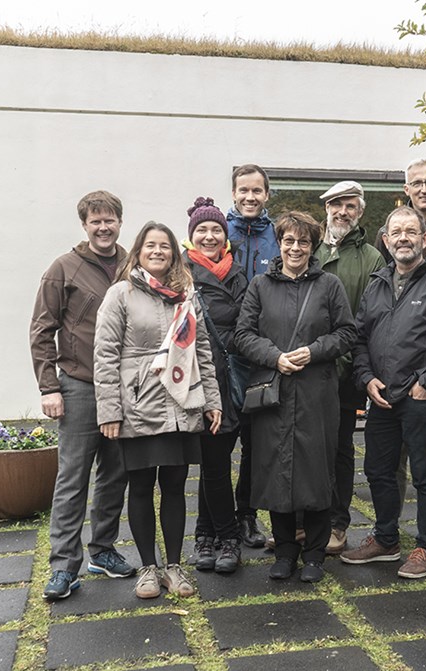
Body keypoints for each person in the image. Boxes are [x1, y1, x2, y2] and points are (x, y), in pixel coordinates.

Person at [341, 206, 426, 579]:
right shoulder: (377, 283)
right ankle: (385, 539)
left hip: (420, 397)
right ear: (385, 240)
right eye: (395, 232)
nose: (403, 238)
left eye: (410, 231)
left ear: (424, 238)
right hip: (381, 397)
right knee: (378, 470)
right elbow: (361, 339)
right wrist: (366, 378)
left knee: (425, 473)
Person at [94, 222, 222, 599]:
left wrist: (211, 400)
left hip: (181, 406)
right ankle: (148, 568)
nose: (158, 251)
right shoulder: (121, 293)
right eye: (150, 245)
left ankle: (174, 567)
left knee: (175, 488)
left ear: (173, 253)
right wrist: (109, 411)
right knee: (140, 487)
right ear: (138, 251)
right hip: (139, 405)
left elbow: (202, 354)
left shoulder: (186, 295)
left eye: (164, 246)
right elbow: (104, 356)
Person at [234, 211, 356, 583]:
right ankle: (285, 550)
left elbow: (348, 333)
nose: (295, 248)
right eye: (289, 240)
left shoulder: (330, 285)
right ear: (280, 243)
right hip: (275, 391)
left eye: (303, 241)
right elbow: (242, 334)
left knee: (316, 470)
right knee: (276, 471)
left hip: (317, 393)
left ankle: (316, 554)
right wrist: (275, 357)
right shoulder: (259, 285)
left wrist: (316, 350)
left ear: (313, 245)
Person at [30, 190, 135, 601]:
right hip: (79, 386)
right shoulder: (64, 268)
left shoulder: (132, 265)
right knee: (72, 478)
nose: (103, 227)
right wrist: (49, 386)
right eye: (96, 221)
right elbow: (41, 330)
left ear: (120, 222)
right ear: (85, 225)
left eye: (110, 219)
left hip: (125, 389)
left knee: (116, 474)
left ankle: (103, 550)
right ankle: (63, 567)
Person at [313, 181, 386, 555]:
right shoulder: (306, 246)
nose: (343, 211)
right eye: (336, 204)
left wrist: (348, 360)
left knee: (340, 449)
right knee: (305, 446)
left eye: (351, 206)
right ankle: (302, 523)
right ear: (326, 207)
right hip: (305, 369)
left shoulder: (372, 257)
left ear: (360, 213)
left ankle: (337, 524)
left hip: (343, 371)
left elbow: (368, 318)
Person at [183, 197, 248, 574]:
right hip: (201, 379)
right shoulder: (183, 274)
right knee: (214, 462)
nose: (209, 236)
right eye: (202, 230)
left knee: (218, 460)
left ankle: (206, 533)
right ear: (192, 237)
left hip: (235, 377)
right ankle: (227, 536)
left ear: (226, 236)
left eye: (216, 230)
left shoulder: (238, 274)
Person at [226, 163, 279, 548]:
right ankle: (215, 524)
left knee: (254, 446)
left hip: (260, 358)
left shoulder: (277, 237)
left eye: (256, 191)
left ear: (266, 195)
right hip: (223, 357)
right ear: (233, 193)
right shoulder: (216, 232)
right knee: (218, 445)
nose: (250, 197)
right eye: (243, 190)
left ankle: (246, 516)